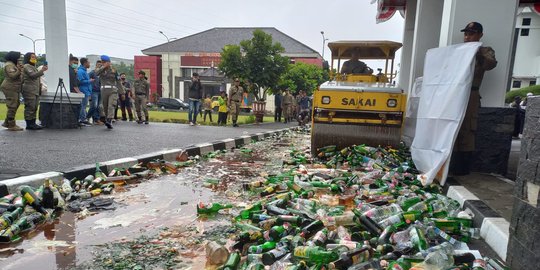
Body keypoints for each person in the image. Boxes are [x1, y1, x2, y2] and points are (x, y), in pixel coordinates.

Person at [451, 22, 498, 175]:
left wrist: (477, 52)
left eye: (471, 33)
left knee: (467, 129)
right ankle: (450, 165)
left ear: (479, 35)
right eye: (466, 34)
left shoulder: (485, 51)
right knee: (452, 127)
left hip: (471, 94)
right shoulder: (458, 51)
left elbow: (490, 64)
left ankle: (463, 168)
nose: (467, 37)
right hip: (455, 94)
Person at [95, 55, 125, 129]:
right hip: (103, 90)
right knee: (105, 106)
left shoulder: (114, 70)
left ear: (109, 62)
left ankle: (109, 120)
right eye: (102, 62)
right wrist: (103, 67)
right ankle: (107, 119)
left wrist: (122, 93)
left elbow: (118, 82)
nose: (103, 63)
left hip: (112, 90)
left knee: (111, 105)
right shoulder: (99, 69)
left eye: (105, 62)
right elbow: (96, 74)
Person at [21, 52, 47, 130]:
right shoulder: (26, 66)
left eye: (35, 57)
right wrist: (42, 70)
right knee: (30, 107)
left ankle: (33, 123)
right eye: (32, 57)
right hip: (29, 90)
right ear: (28, 58)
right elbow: (32, 76)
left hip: (35, 90)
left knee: (34, 107)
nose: (34, 58)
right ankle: (29, 124)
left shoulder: (33, 67)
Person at [1, 51, 24, 131]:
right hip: (10, 87)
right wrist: (19, 70)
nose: (19, 59)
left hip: (14, 87)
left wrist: (19, 68)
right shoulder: (9, 65)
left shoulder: (13, 64)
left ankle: (7, 122)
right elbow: (12, 76)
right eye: (18, 58)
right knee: (12, 105)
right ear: (14, 57)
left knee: (16, 104)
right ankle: (11, 125)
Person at [77, 58, 93, 126]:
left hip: (86, 91)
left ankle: (83, 119)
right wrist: (90, 81)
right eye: (88, 62)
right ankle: (82, 120)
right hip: (83, 91)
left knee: (83, 106)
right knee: (83, 106)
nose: (89, 64)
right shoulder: (80, 71)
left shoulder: (84, 71)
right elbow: (80, 81)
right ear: (85, 63)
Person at [88, 60, 104, 125]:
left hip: (101, 91)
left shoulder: (102, 73)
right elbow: (87, 79)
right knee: (94, 105)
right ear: (96, 65)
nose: (99, 66)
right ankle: (88, 117)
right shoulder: (92, 72)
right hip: (94, 91)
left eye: (101, 65)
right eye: (98, 64)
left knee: (98, 106)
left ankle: (96, 119)